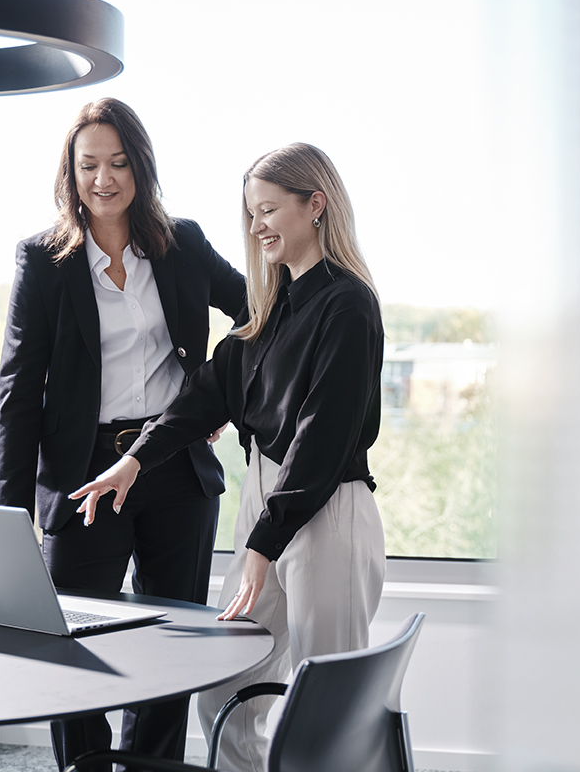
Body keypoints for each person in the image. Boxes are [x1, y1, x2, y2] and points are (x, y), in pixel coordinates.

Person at [71, 142, 387, 772]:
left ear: (315, 205)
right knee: (223, 689)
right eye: (250, 213)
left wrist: (263, 545)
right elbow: (204, 397)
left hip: (324, 512)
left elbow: (319, 445)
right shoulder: (269, 310)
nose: (256, 225)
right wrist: (133, 460)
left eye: (269, 209)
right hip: (265, 504)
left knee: (326, 700)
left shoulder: (347, 306)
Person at [0, 98, 246, 772]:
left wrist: (217, 396)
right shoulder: (44, 262)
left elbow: (258, 312)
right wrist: (11, 516)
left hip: (175, 471)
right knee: (73, 647)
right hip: (83, 476)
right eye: (88, 166)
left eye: (117, 162)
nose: (102, 178)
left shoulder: (182, 242)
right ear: (69, 175)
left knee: (167, 648)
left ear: (140, 165)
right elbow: (19, 393)